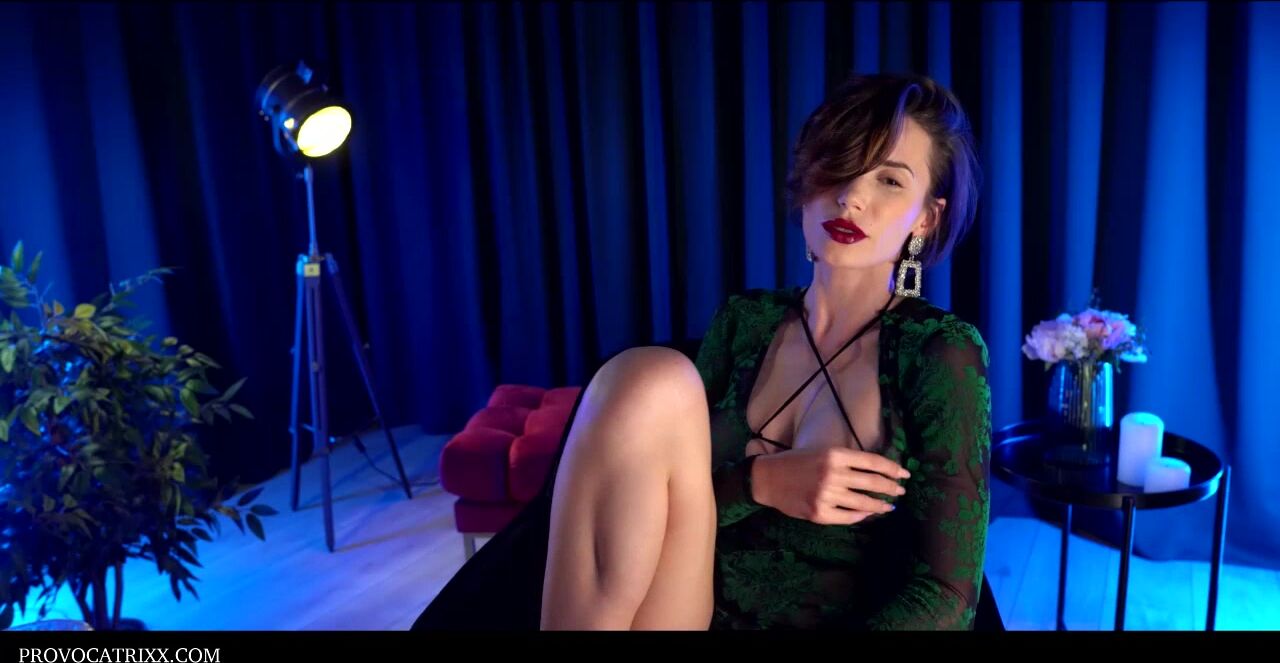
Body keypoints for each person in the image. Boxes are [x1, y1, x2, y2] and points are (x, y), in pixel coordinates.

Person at [413, 72, 990, 631]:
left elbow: (946, 595)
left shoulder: (939, 352)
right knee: (648, 374)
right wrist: (761, 482)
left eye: (889, 180)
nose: (851, 196)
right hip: (686, 610)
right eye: (839, 165)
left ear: (927, 217)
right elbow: (666, 507)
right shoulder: (745, 321)